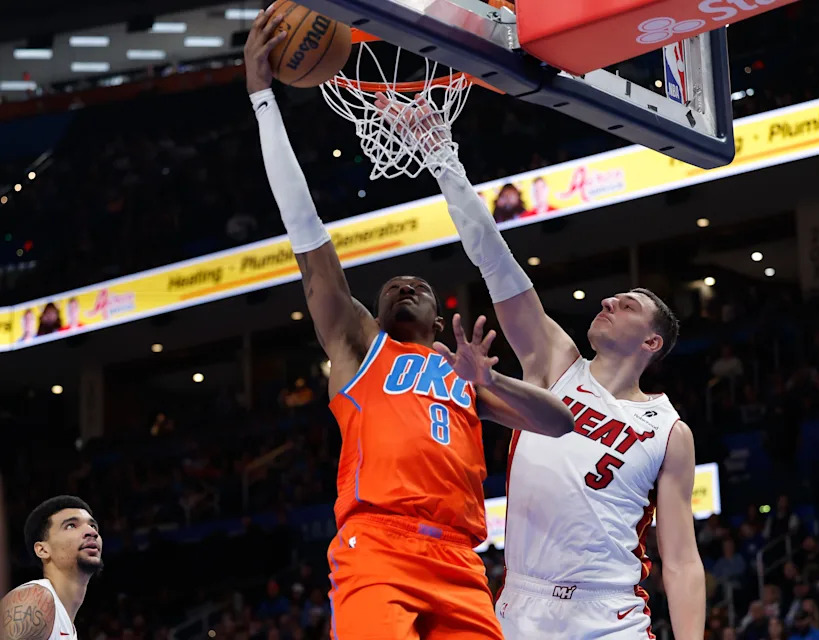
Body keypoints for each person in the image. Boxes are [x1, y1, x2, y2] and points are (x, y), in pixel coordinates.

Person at [242, 9, 574, 640]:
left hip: (460, 562)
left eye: (419, 284)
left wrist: (488, 383)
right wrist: (263, 100)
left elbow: (559, 422)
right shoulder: (358, 345)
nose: (404, 282)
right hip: (380, 547)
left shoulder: (460, 374)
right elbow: (306, 234)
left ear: (441, 312)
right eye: (391, 285)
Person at [400, 97, 701, 639]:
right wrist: (443, 159)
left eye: (627, 304)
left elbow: (680, 560)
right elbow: (494, 260)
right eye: (609, 299)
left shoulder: (669, 431)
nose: (609, 303)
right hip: (520, 607)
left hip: (611, 616)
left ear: (652, 342)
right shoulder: (554, 363)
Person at [0, 496, 103, 640]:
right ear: (43, 550)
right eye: (71, 525)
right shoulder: (36, 599)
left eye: (93, 526)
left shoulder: (66, 625)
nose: (92, 532)